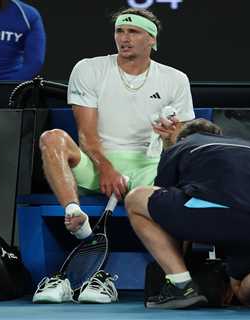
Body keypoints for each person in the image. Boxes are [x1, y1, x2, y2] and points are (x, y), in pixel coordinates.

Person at [33, 8, 195, 304]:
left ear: (152, 40)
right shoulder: (88, 69)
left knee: (178, 194)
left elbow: (178, 145)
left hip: (149, 168)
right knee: (51, 138)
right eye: (120, 31)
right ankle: (74, 213)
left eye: (133, 32)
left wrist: (168, 135)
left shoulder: (175, 79)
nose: (124, 38)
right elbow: (87, 135)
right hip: (97, 164)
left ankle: (176, 278)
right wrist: (106, 168)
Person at [124, 118, 250, 314]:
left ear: (182, 138)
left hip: (217, 212)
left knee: (137, 199)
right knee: (240, 290)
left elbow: (163, 206)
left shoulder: (181, 147)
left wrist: (182, 261)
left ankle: (181, 287)